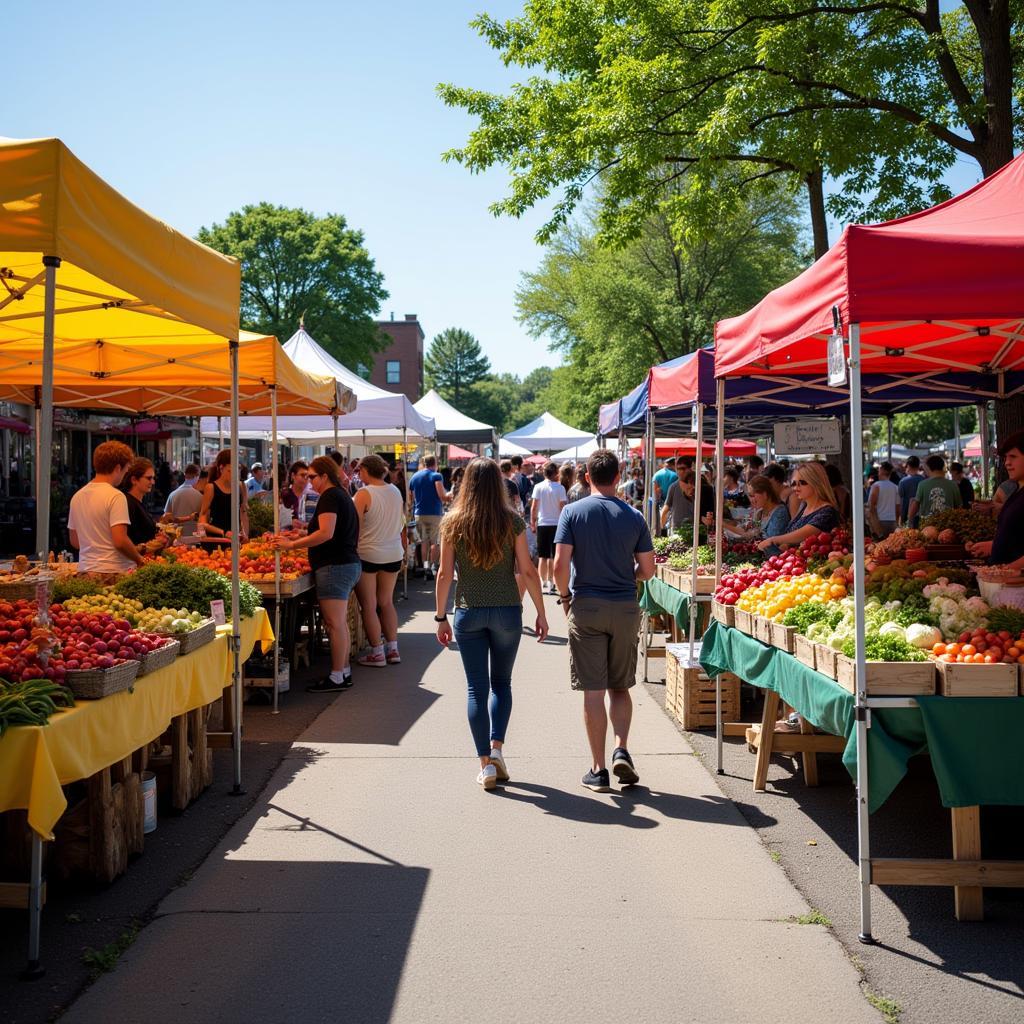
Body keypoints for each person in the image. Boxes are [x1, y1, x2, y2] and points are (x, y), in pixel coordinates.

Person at [435, 458, 548, 790]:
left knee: (476, 689)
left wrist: (440, 617)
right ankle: (497, 750)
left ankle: (484, 764)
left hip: (469, 611)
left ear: (466, 484)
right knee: (502, 684)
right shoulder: (512, 522)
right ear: (498, 485)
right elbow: (527, 571)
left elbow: (444, 574)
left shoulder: (452, 523)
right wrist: (541, 612)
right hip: (507, 611)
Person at [553, 450, 656, 792]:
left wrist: (565, 598)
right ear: (618, 476)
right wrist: (629, 575)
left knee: (593, 692)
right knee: (621, 686)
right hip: (625, 605)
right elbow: (648, 570)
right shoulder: (634, 516)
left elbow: (559, 566)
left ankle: (598, 770)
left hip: (588, 605)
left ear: (586, 476)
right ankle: (621, 748)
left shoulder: (572, 512)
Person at [274, 456, 361, 692]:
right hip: (344, 564)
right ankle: (342, 672)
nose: (310, 481)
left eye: (313, 476)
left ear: (325, 476)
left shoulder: (331, 496)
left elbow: (326, 533)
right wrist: (301, 535)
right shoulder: (340, 495)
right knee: (338, 623)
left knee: (334, 624)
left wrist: (293, 545)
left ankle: (337, 676)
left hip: (335, 566)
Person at [352, 454, 407, 667]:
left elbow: (354, 527)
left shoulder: (363, 494)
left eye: (359, 470)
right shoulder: (395, 491)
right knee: (386, 602)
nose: (359, 474)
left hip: (368, 553)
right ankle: (393, 649)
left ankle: (377, 652)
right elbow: (401, 522)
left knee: (369, 604)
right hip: (393, 552)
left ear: (366, 470)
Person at [68, 441, 145, 574]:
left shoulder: (77, 496)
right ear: (117, 468)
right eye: (125, 470)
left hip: (85, 571)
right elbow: (120, 541)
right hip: (113, 571)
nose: (124, 475)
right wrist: (139, 560)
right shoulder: (116, 496)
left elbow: (75, 541)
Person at [967, 432, 1024, 567]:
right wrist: (994, 545)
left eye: (1013, 457)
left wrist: (1004, 571)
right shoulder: (1018, 491)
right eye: (1005, 458)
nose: (1007, 463)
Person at [756, 461, 840, 551]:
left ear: (816, 483)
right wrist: (785, 545)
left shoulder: (827, 512)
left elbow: (805, 534)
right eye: (794, 483)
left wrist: (773, 540)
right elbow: (794, 538)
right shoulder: (804, 507)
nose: (796, 487)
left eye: (802, 482)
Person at [722, 475, 790, 556]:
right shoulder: (760, 512)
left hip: (770, 559)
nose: (751, 500)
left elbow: (771, 543)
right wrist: (723, 524)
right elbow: (744, 530)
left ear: (765, 494)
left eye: (752, 495)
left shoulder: (780, 512)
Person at [530, 461, 568, 594]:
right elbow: (563, 507)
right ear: (556, 473)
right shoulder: (560, 488)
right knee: (553, 555)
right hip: (557, 524)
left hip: (542, 523)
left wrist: (532, 522)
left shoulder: (538, 487)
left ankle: (542, 582)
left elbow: (534, 507)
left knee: (542, 556)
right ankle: (552, 582)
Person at [409, 454, 448, 580]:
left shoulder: (414, 476)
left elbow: (411, 498)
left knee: (424, 542)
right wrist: (450, 495)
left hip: (419, 513)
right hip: (434, 513)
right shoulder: (436, 476)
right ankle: (431, 568)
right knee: (434, 542)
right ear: (435, 463)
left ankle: (425, 567)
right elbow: (442, 495)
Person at [199, 449, 249, 542]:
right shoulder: (211, 488)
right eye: (231, 470)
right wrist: (223, 532)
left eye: (238, 468)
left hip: (236, 539)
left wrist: (245, 533)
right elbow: (203, 516)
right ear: (221, 468)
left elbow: (243, 513)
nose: (236, 474)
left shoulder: (241, 486)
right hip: (216, 539)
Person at [120, 458, 166, 550]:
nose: (153, 482)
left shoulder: (138, 502)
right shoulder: (128, 503)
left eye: (153, 478)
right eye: (149, 478)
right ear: (134, 480)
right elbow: (125, 540)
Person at [908, 454, 962, 523]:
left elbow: (915, 505)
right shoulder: (953, 485)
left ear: (928, 468)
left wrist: (909, 522)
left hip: (926, 526)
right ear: (942, 467)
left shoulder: (922, 485)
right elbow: (959, 508)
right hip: (948, 525)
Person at [661, 468, 714, 532]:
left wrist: (706, 519)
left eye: (690, 488)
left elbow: (709, 515)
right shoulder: (678, 489)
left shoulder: (706, 492)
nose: (689, 492)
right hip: (688, 529)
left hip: (701, 531)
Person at [164, 463, 204, 537]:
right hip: (195, 537)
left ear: (185, 475)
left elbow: (166, 517)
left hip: (176, 537)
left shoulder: (172, 495)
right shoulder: (201, 497)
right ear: (196, 477)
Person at [868, 461, 899, 539]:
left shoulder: (876, 486)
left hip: (879, 521)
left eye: (879, 470)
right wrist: (896, 522)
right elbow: (898, 508)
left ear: (882, 470)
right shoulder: (895, 487)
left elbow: (871, 506)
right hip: (892, 522)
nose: (878, 472)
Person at [897, 455, 923, 526]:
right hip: (922, 516)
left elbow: (901, 501)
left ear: (908, 465)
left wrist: (901, 518)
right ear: (918, 466)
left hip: (906, 516)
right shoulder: (923, 480)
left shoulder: (903, 482)